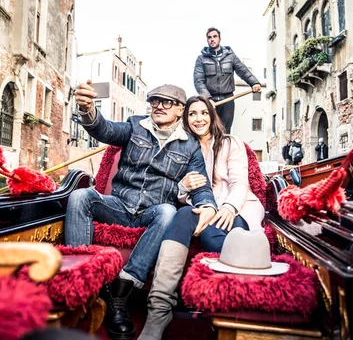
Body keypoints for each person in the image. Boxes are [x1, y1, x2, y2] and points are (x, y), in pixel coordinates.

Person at [67, 82, 217, 340]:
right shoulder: (135, 125)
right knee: (80, 196)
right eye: (154, 100)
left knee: (168, 212)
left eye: (166, 102)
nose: (158, 105)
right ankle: (85, 281)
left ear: (180, 109)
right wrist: (87, 109)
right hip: (119, 205)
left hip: (153, 212)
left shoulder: (191, 146)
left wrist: (207, 207)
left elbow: (201, 186)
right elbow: (105, 129)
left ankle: (120, 295)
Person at [138, 95, 265, 340]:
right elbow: (174, 192)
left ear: (212, 116)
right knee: (184, 214)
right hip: (200, 209)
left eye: (204, 113)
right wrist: (182, 187)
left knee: (210, 231)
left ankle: (238, 305)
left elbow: (240, 183)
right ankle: (159, 308)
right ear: (186, 119)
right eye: (193, 114)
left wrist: (227, 207)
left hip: (236, 207)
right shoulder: (181, 147)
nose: (199, 118)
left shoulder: (230, 142)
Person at [193, 27, 262, 133]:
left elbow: (243, 71)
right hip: (211, 101)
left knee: (225, 131)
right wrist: (208, 98)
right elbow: (198, 81)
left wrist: (254, 82)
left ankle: (224, 149)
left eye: (215, 36)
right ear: (207, 40)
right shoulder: (201, 59)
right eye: (209, 37)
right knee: (210, 131)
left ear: (220, 39)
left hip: (228, 100)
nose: (212, 39)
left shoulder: (230, 57)